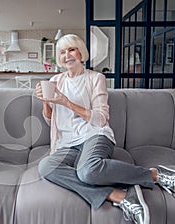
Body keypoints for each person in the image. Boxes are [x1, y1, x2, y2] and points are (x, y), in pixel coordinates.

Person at [36, 34, 175, 224]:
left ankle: (155, 175)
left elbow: (100, 119)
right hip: (67, 143)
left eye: (71, 49)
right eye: (62, 52)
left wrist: (66, 102)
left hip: (94, 135)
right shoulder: (55, 81)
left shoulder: (95, 78)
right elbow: (51, 121)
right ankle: (121, 196)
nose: (67, 55)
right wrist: (45, 102)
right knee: (46, 167)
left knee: (88, 172)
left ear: (81, 53)